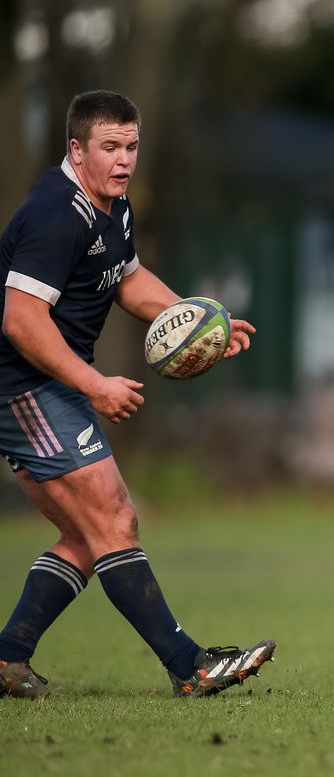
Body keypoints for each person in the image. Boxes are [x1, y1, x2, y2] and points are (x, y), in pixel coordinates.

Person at [0, 90, 275, 699]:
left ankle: (7, 658)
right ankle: (190, 666)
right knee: (113, 519)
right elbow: (20, 322)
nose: (124, 161)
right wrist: (94, 383)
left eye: (131, 147)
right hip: (21, 385)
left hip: (49, 384)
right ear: (77, 149)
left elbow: (127, 279)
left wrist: (200, 321)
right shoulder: (55, 214)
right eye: (109, 147)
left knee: (86, 533)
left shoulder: (113, 206)